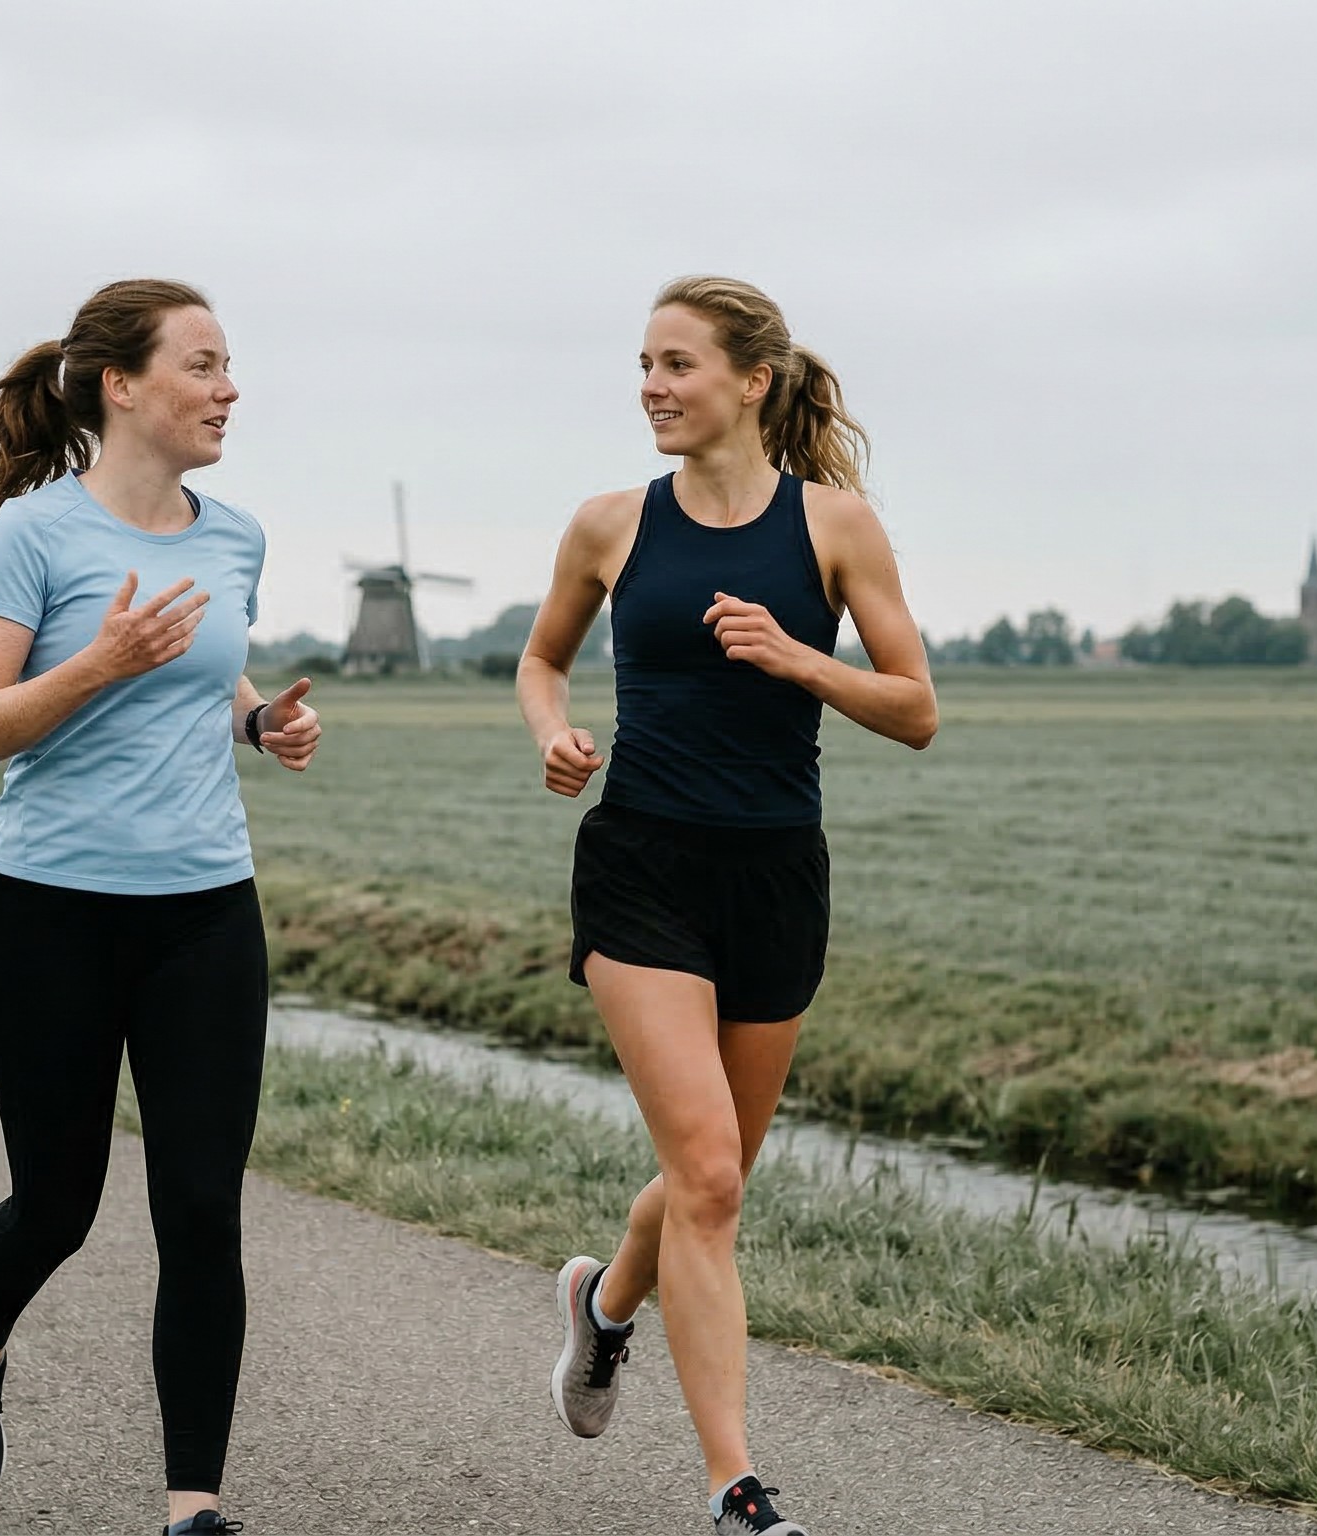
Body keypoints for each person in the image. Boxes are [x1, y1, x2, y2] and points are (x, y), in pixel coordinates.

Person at [518, 276, 936, 1536]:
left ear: (751, 381)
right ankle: (734, 1488)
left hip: (775, 873)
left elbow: (914, 707)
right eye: (643, 364)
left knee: (714, 1179)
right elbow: (542, 658)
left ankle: (601, 1305)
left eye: (677, 364)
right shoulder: (607, 524)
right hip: (641, 864)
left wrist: (799, 656)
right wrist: (555, 732)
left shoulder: (836, 527)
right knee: (704, 1168)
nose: (651, 385)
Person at [0, 278, 319, 1536]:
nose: (228, 388)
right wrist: (100, 661)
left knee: (201, 1210)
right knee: (58, 1204)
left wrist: (254, 717)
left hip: (203, 912)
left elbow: (201, 656)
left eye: (228, 366)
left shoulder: (235, 535)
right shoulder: (31, 539)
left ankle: (190, 1510)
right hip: (48, 913)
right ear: (122, 386)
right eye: (203, 365)